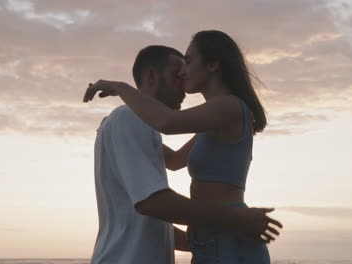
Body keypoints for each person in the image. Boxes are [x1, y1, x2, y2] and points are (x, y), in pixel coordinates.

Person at [85, 44, 282, 264]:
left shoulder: (134, 123)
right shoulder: (128, 118)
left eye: (186, 70)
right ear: (151, 76)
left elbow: (172, 170)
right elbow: (154, 204)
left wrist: (210, 239)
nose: (184, 83)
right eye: (177, 75)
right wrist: (238, 220)